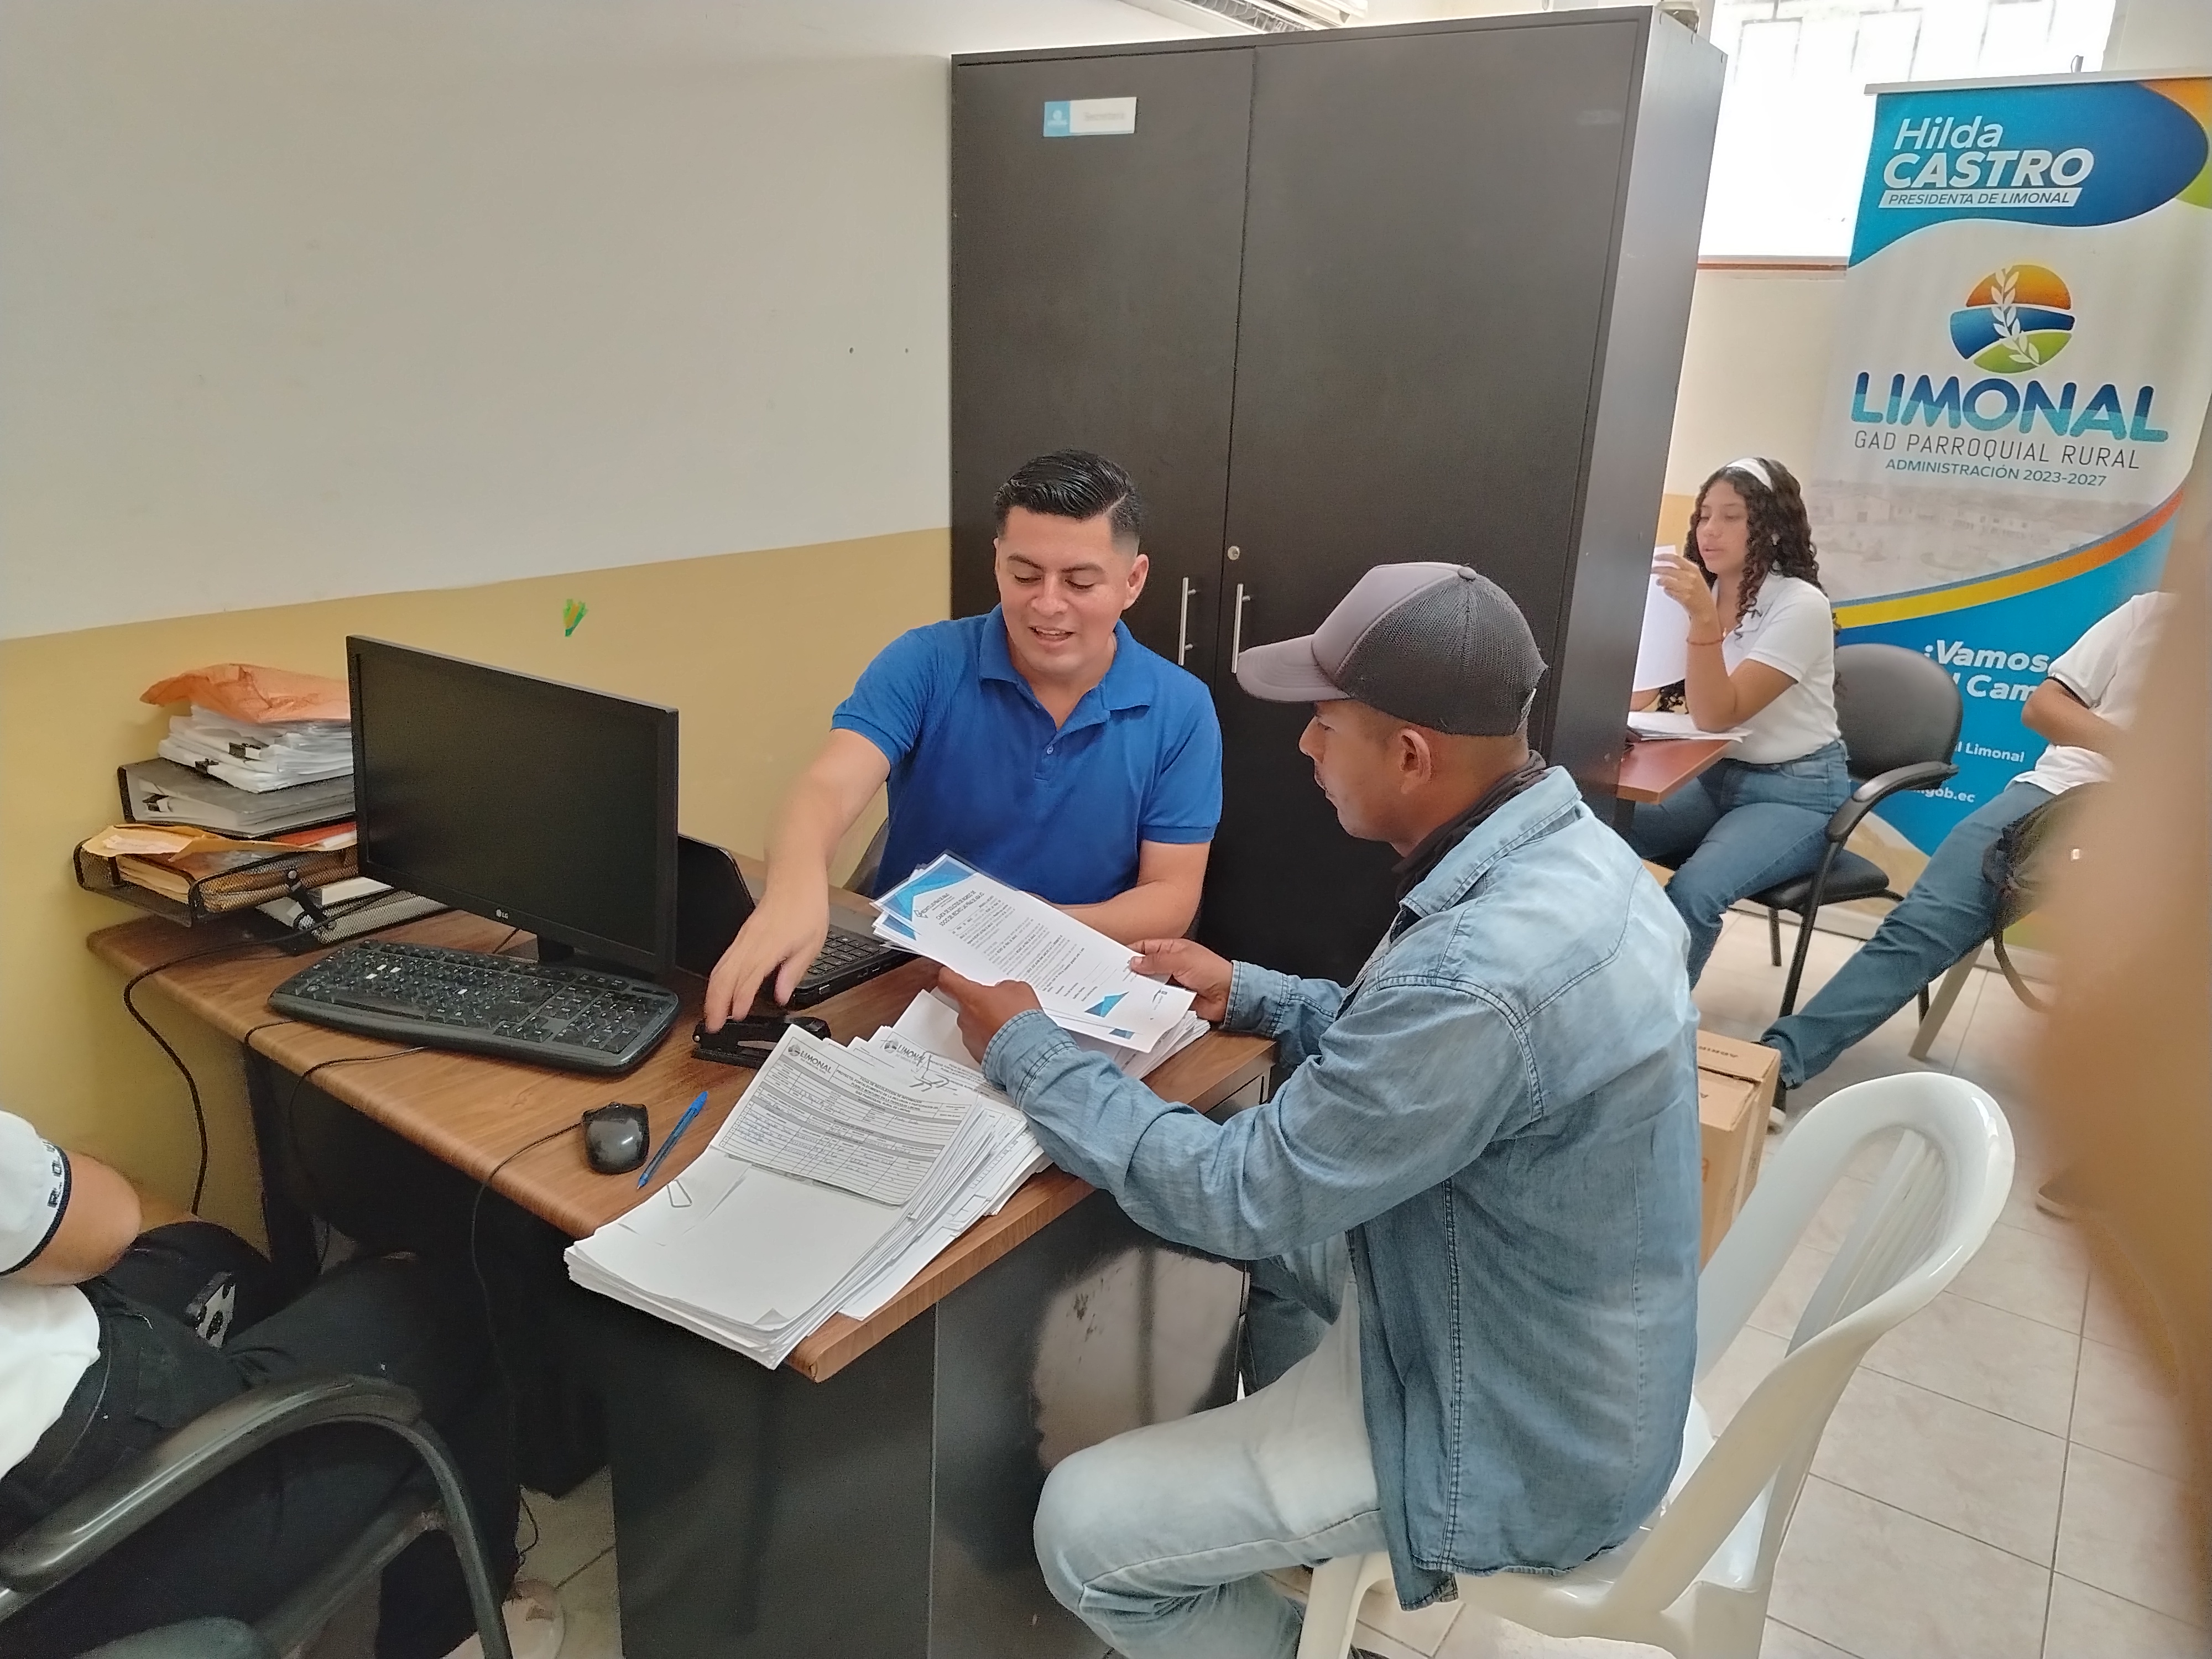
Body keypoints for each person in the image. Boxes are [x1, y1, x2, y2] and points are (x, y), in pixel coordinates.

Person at [935, 562, 1702, 1659]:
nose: (1303, 747)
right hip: (1535, 1328)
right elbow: (1440, 1066)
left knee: (1083, 1534)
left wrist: (1029, 1050)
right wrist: (1254, 992)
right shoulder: (1569, 855)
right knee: (1252, 1239)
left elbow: (1243, 1195)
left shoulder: (1479, 968)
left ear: (1410, 756)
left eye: (1324, 725)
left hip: (1507, 1427)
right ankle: (1271, 1488)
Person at [0, 1111, 554, 1659]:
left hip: (67, 1422)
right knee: (450, 1296)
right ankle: (455, 1638)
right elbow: (105, 1220)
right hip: (100, 1518)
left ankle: (313, 1483)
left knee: (210, 1255)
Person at [703, 448, 1222, 1026]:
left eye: (1079, 582)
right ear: (997, 562)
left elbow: (1170, 897)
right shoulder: (927, 662)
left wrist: (1025, 926)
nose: (1048, 604)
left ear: (1133, 581)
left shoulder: (1180, 707)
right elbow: (828, 786)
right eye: (1024, 576)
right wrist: (793, 890)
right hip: (911, 976)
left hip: (1071, 984)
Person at [1762, 590, 2173, 1184]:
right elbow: (2044, 708)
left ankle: (2120, 1152)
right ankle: (1782, 1061)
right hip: (2062, 794)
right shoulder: (2152, 613)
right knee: (1920, 929)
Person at [1624, 457, 1846, 983]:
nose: (1710, 530)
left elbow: (1718, 714)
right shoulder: (1701, 591)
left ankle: (1649, 1023)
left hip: (1795, 792)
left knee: (1694, 892)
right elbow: (1642, 693)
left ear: (1771, 528)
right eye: (1704, 516)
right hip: (1712, 776)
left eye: (1731, 517)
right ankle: (1595, 989)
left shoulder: (1800, 605)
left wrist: (1702, 620)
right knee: (1594, 837)